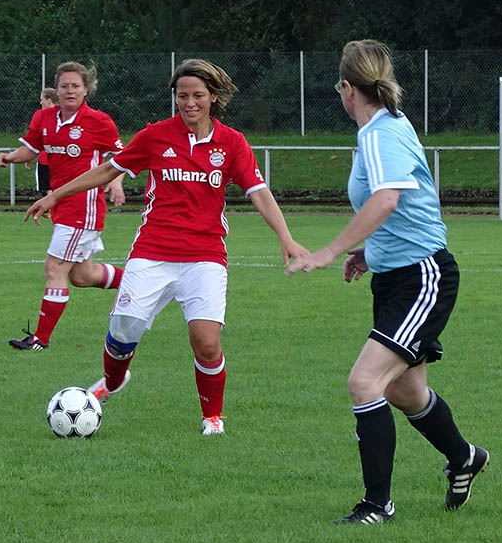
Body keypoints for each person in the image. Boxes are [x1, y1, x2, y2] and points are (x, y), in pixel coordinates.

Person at [25, 58, 307, 435]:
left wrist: (285, 237)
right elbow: (108, 170)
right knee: (124, 332)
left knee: (206, 341)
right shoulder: (156, 136)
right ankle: (112, 381)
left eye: (198, 96)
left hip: (205, 256)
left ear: (214, 97)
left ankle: (212, 418)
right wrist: (55, 195)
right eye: (182, 95)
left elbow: (259, 192)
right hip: (152, 253)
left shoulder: (232, 143)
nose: (189, 103)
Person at [286, 40, 488, 523]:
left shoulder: (380, 134)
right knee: (404, 391)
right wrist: (369, 253)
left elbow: (387, 201)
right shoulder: (385, 128)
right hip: (397, 276)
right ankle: (464, 457)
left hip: (423, 277)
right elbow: (405, 208)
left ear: (347, 90)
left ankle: (377, 505)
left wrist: (330, 251)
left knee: (365, 382)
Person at [0, 62, 127, 351]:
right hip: (61, 206)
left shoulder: (98, 121)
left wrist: (115, 183)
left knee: (54, 267)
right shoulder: (44, 118)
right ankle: (139, 283)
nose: (70, 90)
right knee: (83, 276)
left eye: (76, 86)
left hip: (84, 206)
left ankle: (39, 340)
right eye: (65, 85)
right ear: (56, 89)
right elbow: (31, 149)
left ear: (86, 89)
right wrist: (10, 157)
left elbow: (122, 156)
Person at [33, 87, 58, 195]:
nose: (40, 102)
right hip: (50, 160)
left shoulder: (64, 114)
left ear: (49, 100)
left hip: (52, 160)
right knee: (50, 190)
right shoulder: (39, 115)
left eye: (42, 99)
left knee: (50, 190)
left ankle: (55, 210)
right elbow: (34, 138)